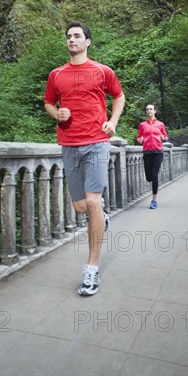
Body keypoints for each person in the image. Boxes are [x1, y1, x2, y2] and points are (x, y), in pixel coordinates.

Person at [44, 21, 125, 296]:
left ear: (87, 42)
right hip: (69, 144)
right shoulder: (56, 75)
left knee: (92, 202)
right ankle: (100, 216)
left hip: (96, 143)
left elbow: (119, 96)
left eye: (77, 36)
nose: (71, 40)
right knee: (80, 207)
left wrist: (113, 121)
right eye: (68, 36)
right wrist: (57, 115)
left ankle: (91, 270)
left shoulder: (103, 71)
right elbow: (48, 103)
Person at [136, 104, 169, 209]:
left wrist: (163, 137)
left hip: (158, 152)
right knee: (149, 177)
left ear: (154, 111)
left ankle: (154, 200)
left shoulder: (160, 124)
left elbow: (166, 136)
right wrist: (140, 140)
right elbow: (139, 137)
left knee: (154, 175)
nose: (149, 110)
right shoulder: (142, 125)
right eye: (147, 109)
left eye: (151, 109)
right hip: (147, 152)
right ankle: (151, 180)